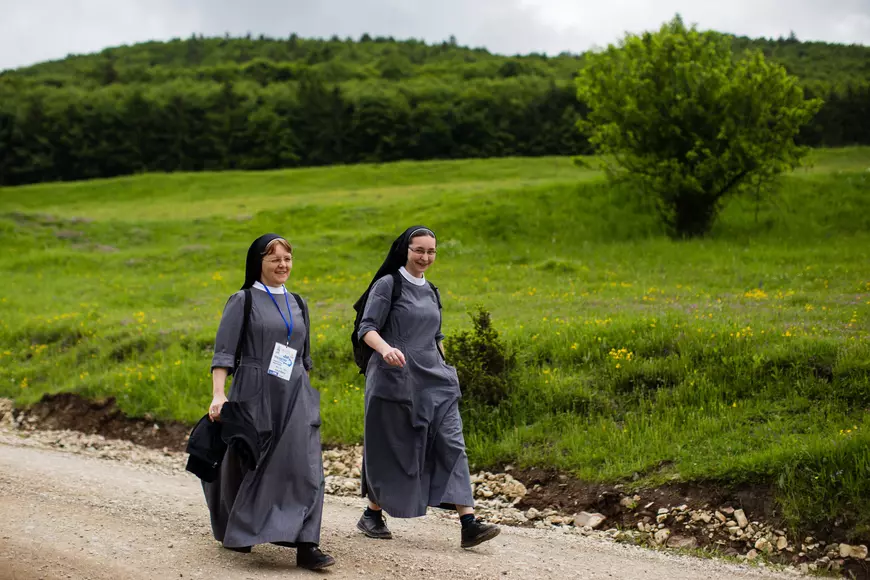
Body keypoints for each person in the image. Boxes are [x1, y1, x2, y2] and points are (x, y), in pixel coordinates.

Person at [352, 225, 500, 549]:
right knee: (395, 448)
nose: (425, 257)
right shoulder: (388, 285)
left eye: (431, 251)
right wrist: (385, 349)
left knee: (452, 443)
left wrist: (444, 366)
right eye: (419, 250)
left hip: (435, 381)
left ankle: (469, 522)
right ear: (405, 250)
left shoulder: (432, 290)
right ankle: (372, 513)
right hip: (394, 379)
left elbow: (436, 335)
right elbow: (366, 328)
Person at [204, 233, 334, 571]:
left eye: (287, 259)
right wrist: (219, 394)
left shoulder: (299, 302)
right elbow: (224, 352)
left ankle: (307, 543)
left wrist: (305, 391)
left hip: (294, 391)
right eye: (274, 258)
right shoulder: (243, 300)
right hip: (253, 388)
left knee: (306, 467)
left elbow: (304, 356)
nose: (282, 265)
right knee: (249, 462)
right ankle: (240, 526)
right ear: (258, 263)